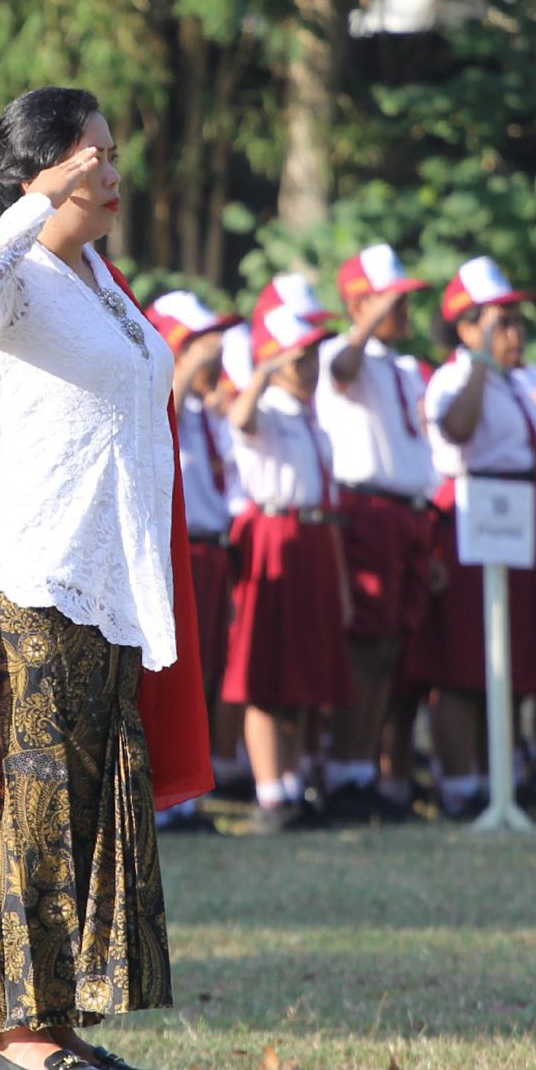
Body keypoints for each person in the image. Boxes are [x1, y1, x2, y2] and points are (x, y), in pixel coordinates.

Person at [0, 85, 208, 1070]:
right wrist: (32, 197)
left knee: (93, 802)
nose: (111, 164)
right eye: (93, 149)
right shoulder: (13, 286)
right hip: (39, 575)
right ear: (46, 163)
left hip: (112, 575)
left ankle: (66, 1019)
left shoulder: (98, 278)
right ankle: (16, 1028)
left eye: (110, 146)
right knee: (35, 803)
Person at [413, 258, 536, 822]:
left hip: (520, 512)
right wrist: (479, 359)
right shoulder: (456, 377)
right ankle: (462, 783)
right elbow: (456, 429)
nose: (513, 332)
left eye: (513, 320)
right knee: (464, 661)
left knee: (512, 654)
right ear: (467, 326)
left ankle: (499, 775)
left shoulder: (520, 381)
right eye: (498, 321)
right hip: (473, 512)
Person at [222, 282, 352, 834]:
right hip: (277, 536)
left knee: (306, 674)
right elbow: (241, 421)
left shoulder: (311, 418)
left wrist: (342, 584)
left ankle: (296, 783)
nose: (312, 369)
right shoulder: (269, 410)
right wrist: (265, 370)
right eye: (301, 359)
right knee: (269, 674)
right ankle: (270, 791)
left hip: (317, 540)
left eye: (314, 358)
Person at [313, 248, 433, 826]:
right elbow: (340, 370)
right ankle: (344, 770)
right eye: (394, 298)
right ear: (361, 303)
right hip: (367, 509)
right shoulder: (343, 352)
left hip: (407, 512)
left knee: (390, 650)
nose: (405, 307)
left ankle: (367, 767)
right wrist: (363, 320)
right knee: (363, 646)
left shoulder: (404, 367)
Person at [146, 291, 243, 824]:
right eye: (200, 342)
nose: (216, 353)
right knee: (170, 670)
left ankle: (189, 795)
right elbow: (163, 417)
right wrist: (184, 368)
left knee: (207, 674)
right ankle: (162, 798)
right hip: (171, 547)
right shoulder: (166, 396)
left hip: (212, 551)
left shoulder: (208, 409)